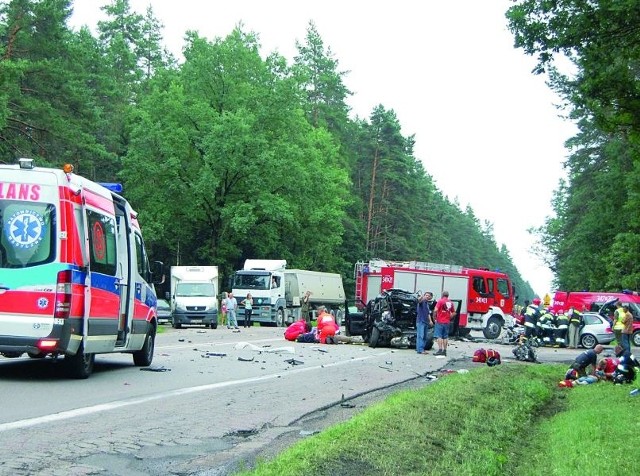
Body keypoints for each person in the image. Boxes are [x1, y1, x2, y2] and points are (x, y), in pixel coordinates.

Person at [433, 291, 456, 356]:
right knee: (445, 337)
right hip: (447, 322)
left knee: (439, 336)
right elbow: (454, 312)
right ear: (448, 295)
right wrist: (450, 317)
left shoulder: (440, 301)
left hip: (440, 321)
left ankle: (440, 350)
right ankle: (445, 351)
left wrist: (434, 318)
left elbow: (435, 310)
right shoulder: (451, 302)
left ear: (442, 295)